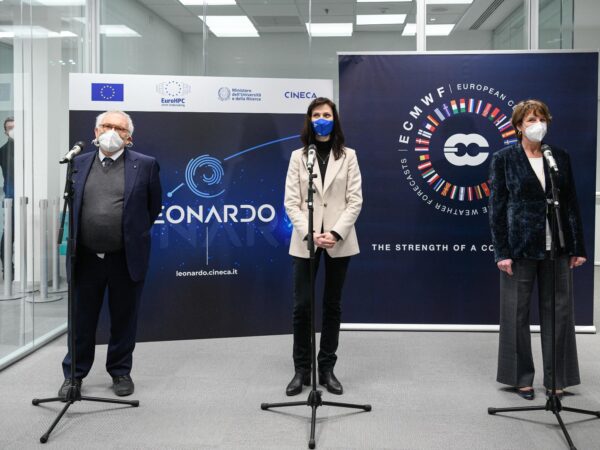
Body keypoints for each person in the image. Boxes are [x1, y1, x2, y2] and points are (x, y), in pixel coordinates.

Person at [60, 110, 162, 398]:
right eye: (106, 126)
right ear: (95, 132)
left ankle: (120, 372)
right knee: (81, 322)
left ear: (129, 136)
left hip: (125, 258)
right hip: (86, 259)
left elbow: (153, 209)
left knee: (123, 319)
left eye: (119, 128)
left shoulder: (145, 165)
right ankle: (74, 376)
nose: (111, 131)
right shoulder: (77, 164)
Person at [488, 99, 586, 401]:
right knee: (516, 313)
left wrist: (576, 246)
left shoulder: (559, 157)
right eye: (531, 119)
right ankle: (521, 378)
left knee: (559, 312)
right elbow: (497, 208)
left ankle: (557, 378)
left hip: (556, 245)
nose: (537, 124)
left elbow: (569, 203)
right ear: (519, 126)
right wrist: (501, 251)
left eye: (542, 118)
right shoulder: (504, 158)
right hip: (519, 247)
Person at [284, 97, 363, 396]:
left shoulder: (349, 156)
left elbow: (355, 200)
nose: (321, 118)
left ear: (335, 119)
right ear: (309, 119)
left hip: (338, 240)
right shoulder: (298, 156)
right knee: (302, 305)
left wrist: (334, 232)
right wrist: (311, 232)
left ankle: (327, 368)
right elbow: (291, 202)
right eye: (316, 114)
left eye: (326, 114)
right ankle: (301, 370)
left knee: (332, 305)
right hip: (305, 241)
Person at [0, 117, 14, 274]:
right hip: (10, 198)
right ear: (5, 131)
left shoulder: (28, 148)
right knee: (9, 233)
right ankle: (7, 267)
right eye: (9, 128)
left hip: (28, 198)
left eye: (15, 127)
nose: (12, 130)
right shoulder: (3, 151)